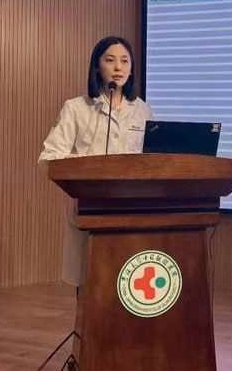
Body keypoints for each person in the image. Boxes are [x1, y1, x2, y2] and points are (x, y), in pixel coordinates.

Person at [38, 36, 153, 286]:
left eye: (125, 61)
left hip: (134, 208)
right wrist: (90, 166)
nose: (118, 67)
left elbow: (150, 158)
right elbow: (49, 157)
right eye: (110, 60)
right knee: (93, 284)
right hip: (91, 207)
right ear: (97, 66)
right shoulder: (76, 108)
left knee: (130, 283)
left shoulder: (142, 110)